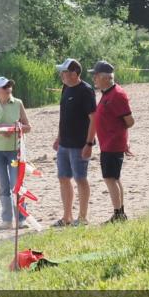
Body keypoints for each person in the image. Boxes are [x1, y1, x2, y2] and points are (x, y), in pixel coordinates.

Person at [53, 59, 96, 226]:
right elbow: (63, 116)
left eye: (64, 72)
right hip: (64, 143)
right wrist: (59, 137)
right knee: (63, 178)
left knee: (80, 179)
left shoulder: (86, 90)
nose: (61, 75)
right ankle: (67, 217)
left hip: (80, 144)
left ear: (73, 74)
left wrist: (89, 143)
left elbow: (94, 119)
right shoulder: (65, 88)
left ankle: (83, 217)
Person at [0, 76, 33, 230]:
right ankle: (6, 220)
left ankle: (21, 219)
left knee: (16, 184)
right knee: (3, 186)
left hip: (15, 151)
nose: (8, 88)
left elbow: (28, 126)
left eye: (9, 86)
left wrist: (14, 128)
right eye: (4, 87)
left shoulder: (18, 103)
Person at [91, 61, 134, 223]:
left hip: (113, 143)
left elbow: (129, 121)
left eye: (96, 76)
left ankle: (118, 214)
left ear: (106, 78)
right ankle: (120, 213)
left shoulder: (117, 94)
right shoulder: (107, 93)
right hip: (109, 143)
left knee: (110, 178)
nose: (94, 78)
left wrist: (122, 138)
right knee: (114, 178)